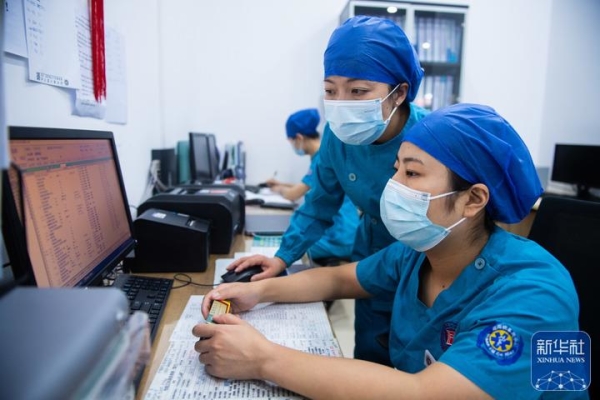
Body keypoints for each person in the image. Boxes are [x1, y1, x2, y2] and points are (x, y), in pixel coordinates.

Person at [192, 103, 584, 399]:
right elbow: (339, 278)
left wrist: (262, 359)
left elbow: (425, 393)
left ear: (473, 199)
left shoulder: (536, 292)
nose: (392, 186)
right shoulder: (420, 252)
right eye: (395, 169)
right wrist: (258, 290)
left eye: (411, 173)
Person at [225, 15, 429, 365]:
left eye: (358, 91)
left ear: (399, 92)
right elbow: (318, 205)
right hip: (369, 256)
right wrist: (282, 257)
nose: (342, 103)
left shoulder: (431, 137)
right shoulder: (337, 137)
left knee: (419, 360)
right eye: (330, 90)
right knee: (371, 357)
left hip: (427, 264)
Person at [266, 108, 360, 265]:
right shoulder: (322, 154)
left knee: (286, 246)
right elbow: (310, 185)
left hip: (339, 237)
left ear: (299, 138)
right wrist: (281, 184)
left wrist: (278, 189)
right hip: (346, 231)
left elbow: (293, 194)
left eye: (291, 141)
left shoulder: (321, 158)